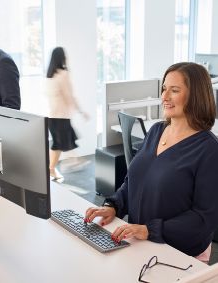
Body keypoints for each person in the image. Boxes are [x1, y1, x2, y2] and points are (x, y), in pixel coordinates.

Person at [85, 62, 218, 264]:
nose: (164, 96)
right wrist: (114, 206)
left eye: (174, 90)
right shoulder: (156, 131)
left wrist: (150, 230)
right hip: (139, 243)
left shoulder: (209, 150)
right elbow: (134, 182)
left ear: (196, 96)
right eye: (164, 89)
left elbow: (203, 219)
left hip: (179, 255)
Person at [45, 47, 88, 179]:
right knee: (64, 142)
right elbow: (70, 96)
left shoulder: (49, 76)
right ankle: (74, 161)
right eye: (65, 55)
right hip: (61, 116)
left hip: (51, 116)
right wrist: (80, 111)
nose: (67, 58)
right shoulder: (63, 74)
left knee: (58, 144)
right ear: (61, 58)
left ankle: (51, 169)